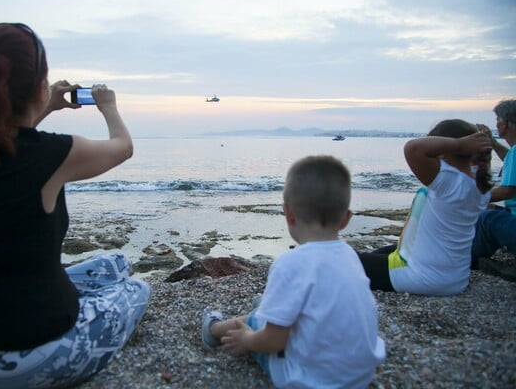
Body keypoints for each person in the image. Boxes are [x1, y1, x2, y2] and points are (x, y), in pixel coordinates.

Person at [0, 22, 151, 388]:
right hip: (28, 357)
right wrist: (108, 106)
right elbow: (122, 147)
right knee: (137, 289)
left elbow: (11, 139)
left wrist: (45, 105)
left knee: (117, 261)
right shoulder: (52, 155)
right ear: (37, 87)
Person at [201, 155, 386, 388]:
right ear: (346, 218)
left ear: (288, 214)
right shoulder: (351, 257)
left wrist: (247, 340)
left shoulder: (290, 263)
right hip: (360, 376)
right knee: (277, 309)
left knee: (258, 317)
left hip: (307, 379)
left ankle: (213, 330)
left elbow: (275, 340)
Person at [357, 119, 493, 296]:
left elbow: (413, 148)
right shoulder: (478, 183)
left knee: (341, 259)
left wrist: (459, 144)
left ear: (443, 152)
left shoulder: (450, 182)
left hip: (424, 279)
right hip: (454, 277)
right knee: (386, 251)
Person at [471, 99, 516, 281]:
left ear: (505, 123)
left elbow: (507, 191)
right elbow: (509, 159)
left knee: (486, 218)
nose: (496, 124)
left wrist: (473, 198)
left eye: (498, 120)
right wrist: (492, 142)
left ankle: (468, 259)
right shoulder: (513, 152)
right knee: (488, 209)